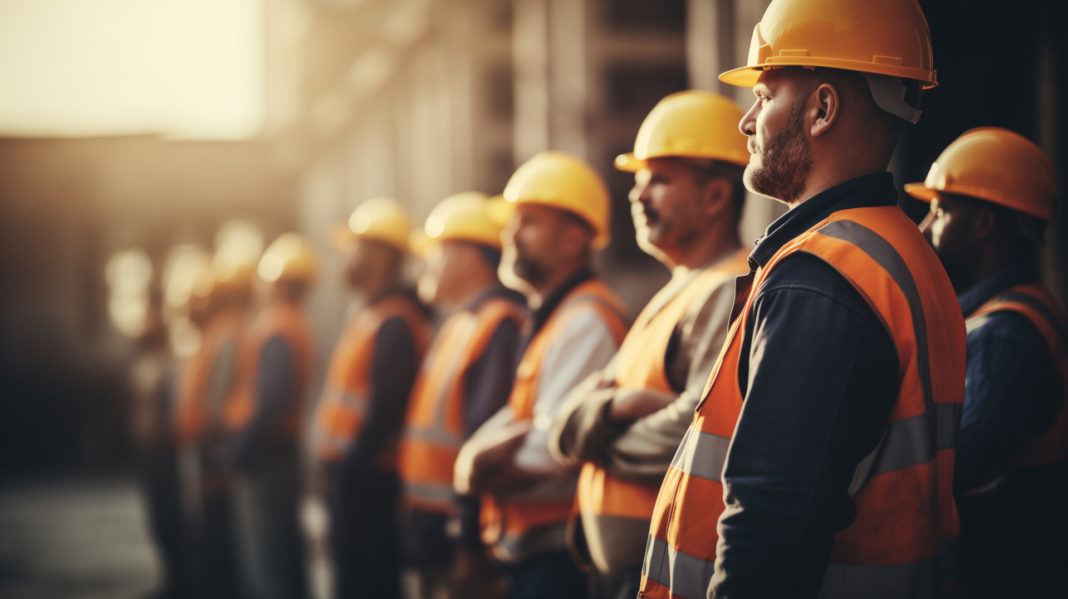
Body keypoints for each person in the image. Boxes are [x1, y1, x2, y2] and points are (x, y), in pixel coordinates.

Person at [639, 1, 967, 597]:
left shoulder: (820, 281)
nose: (746, 123)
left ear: (821, 109)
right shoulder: (904, 254)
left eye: (763, 98)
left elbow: (769, 522)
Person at [547, 91, 750, 599]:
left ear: (716, 197)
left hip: (663, 570)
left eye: (659, 180)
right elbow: (564, 421)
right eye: (639, 181)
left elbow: (696, 435)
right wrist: (622, 405)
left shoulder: (726, 289)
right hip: (626, 571)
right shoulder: (677, 290)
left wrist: (595, 436)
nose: (638, 196)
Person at [454, 151, 629, 599]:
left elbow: (553, 445)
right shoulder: (556, 316)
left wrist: (479, 467)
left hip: (559, 556)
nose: (510, 233)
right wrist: (476, 455)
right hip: (532, 551)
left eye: (528, 221)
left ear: (574, 239)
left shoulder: (585, 319)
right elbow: (525, 419)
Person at [908, 127, 1067, 598]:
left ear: (983, 224)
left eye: (940, 210)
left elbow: (950, 472)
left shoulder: (1006, 335)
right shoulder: (1004, 315)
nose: (923, 227)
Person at [398, 192, 528, 598]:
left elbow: (483, 442)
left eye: (436, 251)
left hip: (461, 540)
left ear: (471, 258)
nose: (424, 263)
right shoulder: (462, 323)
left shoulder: (499, 325)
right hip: (433, 529)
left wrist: (467, 544)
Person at [311, 198, 431, 599]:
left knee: (368, 584)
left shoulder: (394, 320)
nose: (347, 258)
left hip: (369, 481)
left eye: (356, 248)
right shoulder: (373, 313)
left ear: (381, 256)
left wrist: (350, 471)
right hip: (356, 476)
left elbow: (385, 410)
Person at [226, 233, 317, 599]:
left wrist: (241, 452)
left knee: (270, 560)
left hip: (268, 456)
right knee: (281, 556)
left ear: (277, 281)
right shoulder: (291, 321)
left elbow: (270, 402)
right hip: (277, 451)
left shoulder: (278, 325)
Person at [173, 257, 250, 598]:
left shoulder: (227, 334)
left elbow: (219, 404)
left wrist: (215, 456)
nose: (191, 307)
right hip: (201, 446)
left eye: (198, 299)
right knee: (205, 534)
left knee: (219, 535)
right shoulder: (212, 334)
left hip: (212, 450)